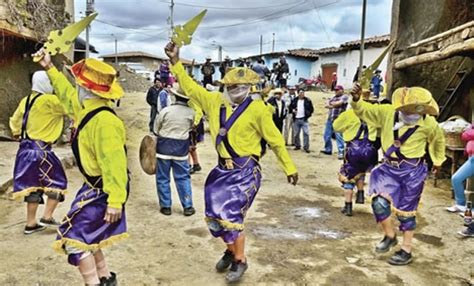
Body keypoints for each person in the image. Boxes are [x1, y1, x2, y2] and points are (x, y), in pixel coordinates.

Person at [165, 41, 298, 283]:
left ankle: (240, 260)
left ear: (250, 87)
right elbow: (191, 88)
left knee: (232, 215)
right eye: (231, 85)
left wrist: (289, 168)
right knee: (215, 217)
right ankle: (230, 249)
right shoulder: (214, 102)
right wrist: (175, 63)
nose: (236, 89)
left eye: (241, 86)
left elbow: (277, 141)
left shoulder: (259, 109)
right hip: (221, 171)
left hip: (246, 171)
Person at [36, 50, 129, 285]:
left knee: (74, 242)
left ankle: (94, 283)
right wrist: (50, 67)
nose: (74, 87)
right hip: (92, 189)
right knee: (88, 237)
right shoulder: (86, 109)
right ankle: (106, 278)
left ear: (85, 88)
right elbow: (67, 96)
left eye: (76, 83)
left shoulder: (105, 122)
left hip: (103, 193)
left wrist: (116, 200)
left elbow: (115, 164)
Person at [350, 84, 445, 266]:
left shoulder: (429, 123)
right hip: (387, 168)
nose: (414, 114)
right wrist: (356, 100)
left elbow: (438, 141)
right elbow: (366, 111)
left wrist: (438, 161)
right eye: (410, 111)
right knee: (378, 203)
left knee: (406, 213)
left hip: (412, 171)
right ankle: (390, 235)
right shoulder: (386, 112)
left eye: (419, 110)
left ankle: (406, 249)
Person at [9, 71, 68, 234]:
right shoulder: (51, 101)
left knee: (32, 185)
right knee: (58, 183)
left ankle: (30, 223)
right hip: (42, 151)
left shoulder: (26, 100)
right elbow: (72, 106)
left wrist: (16, 133)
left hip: (25, 150)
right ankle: (47, 217)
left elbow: (14, 121)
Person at [333, 91, 378, 216]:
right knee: (361, 171)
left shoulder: (348, 114)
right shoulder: (374, 113)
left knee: (348, 176)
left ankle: (348, 206)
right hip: (370, 150)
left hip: (353, 149)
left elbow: (336, 127)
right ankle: (360, 193)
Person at [154, 83, 196, 216]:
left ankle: (166, 206)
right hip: (181, 150)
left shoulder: (166, 111)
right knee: (183, 178)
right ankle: (188, 206)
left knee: (163, 178)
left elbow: (156, 129)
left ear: (175, 97)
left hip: (163, 148)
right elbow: (191, 128)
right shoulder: (191, 113)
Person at [448, 125, 474, 213]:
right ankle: (460, 204)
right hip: (472, 159)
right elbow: (465, 135)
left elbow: (468, 134)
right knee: (456, 178)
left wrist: (469, 133)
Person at [321, 85, 348, 159]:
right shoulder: (333, 97)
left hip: (339, 119)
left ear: (342, 90)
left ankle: (341, 152)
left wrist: (332, 104)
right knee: (326, 135)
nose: (336, 91)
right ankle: (328, 149)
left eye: (337, 90)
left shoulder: (344, 97)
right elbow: (327, 105)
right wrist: (333, 105)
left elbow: (338, 104)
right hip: (330, 119)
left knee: (339, 136)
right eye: (335, 90)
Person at [189, 100, 204, 175]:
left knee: (188, 147)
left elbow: (199, 112)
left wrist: (195, 123)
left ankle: (188, 165)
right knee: (192, 147)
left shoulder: (193, 100)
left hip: (193, 126)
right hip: (193, 125)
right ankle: (196, 164)